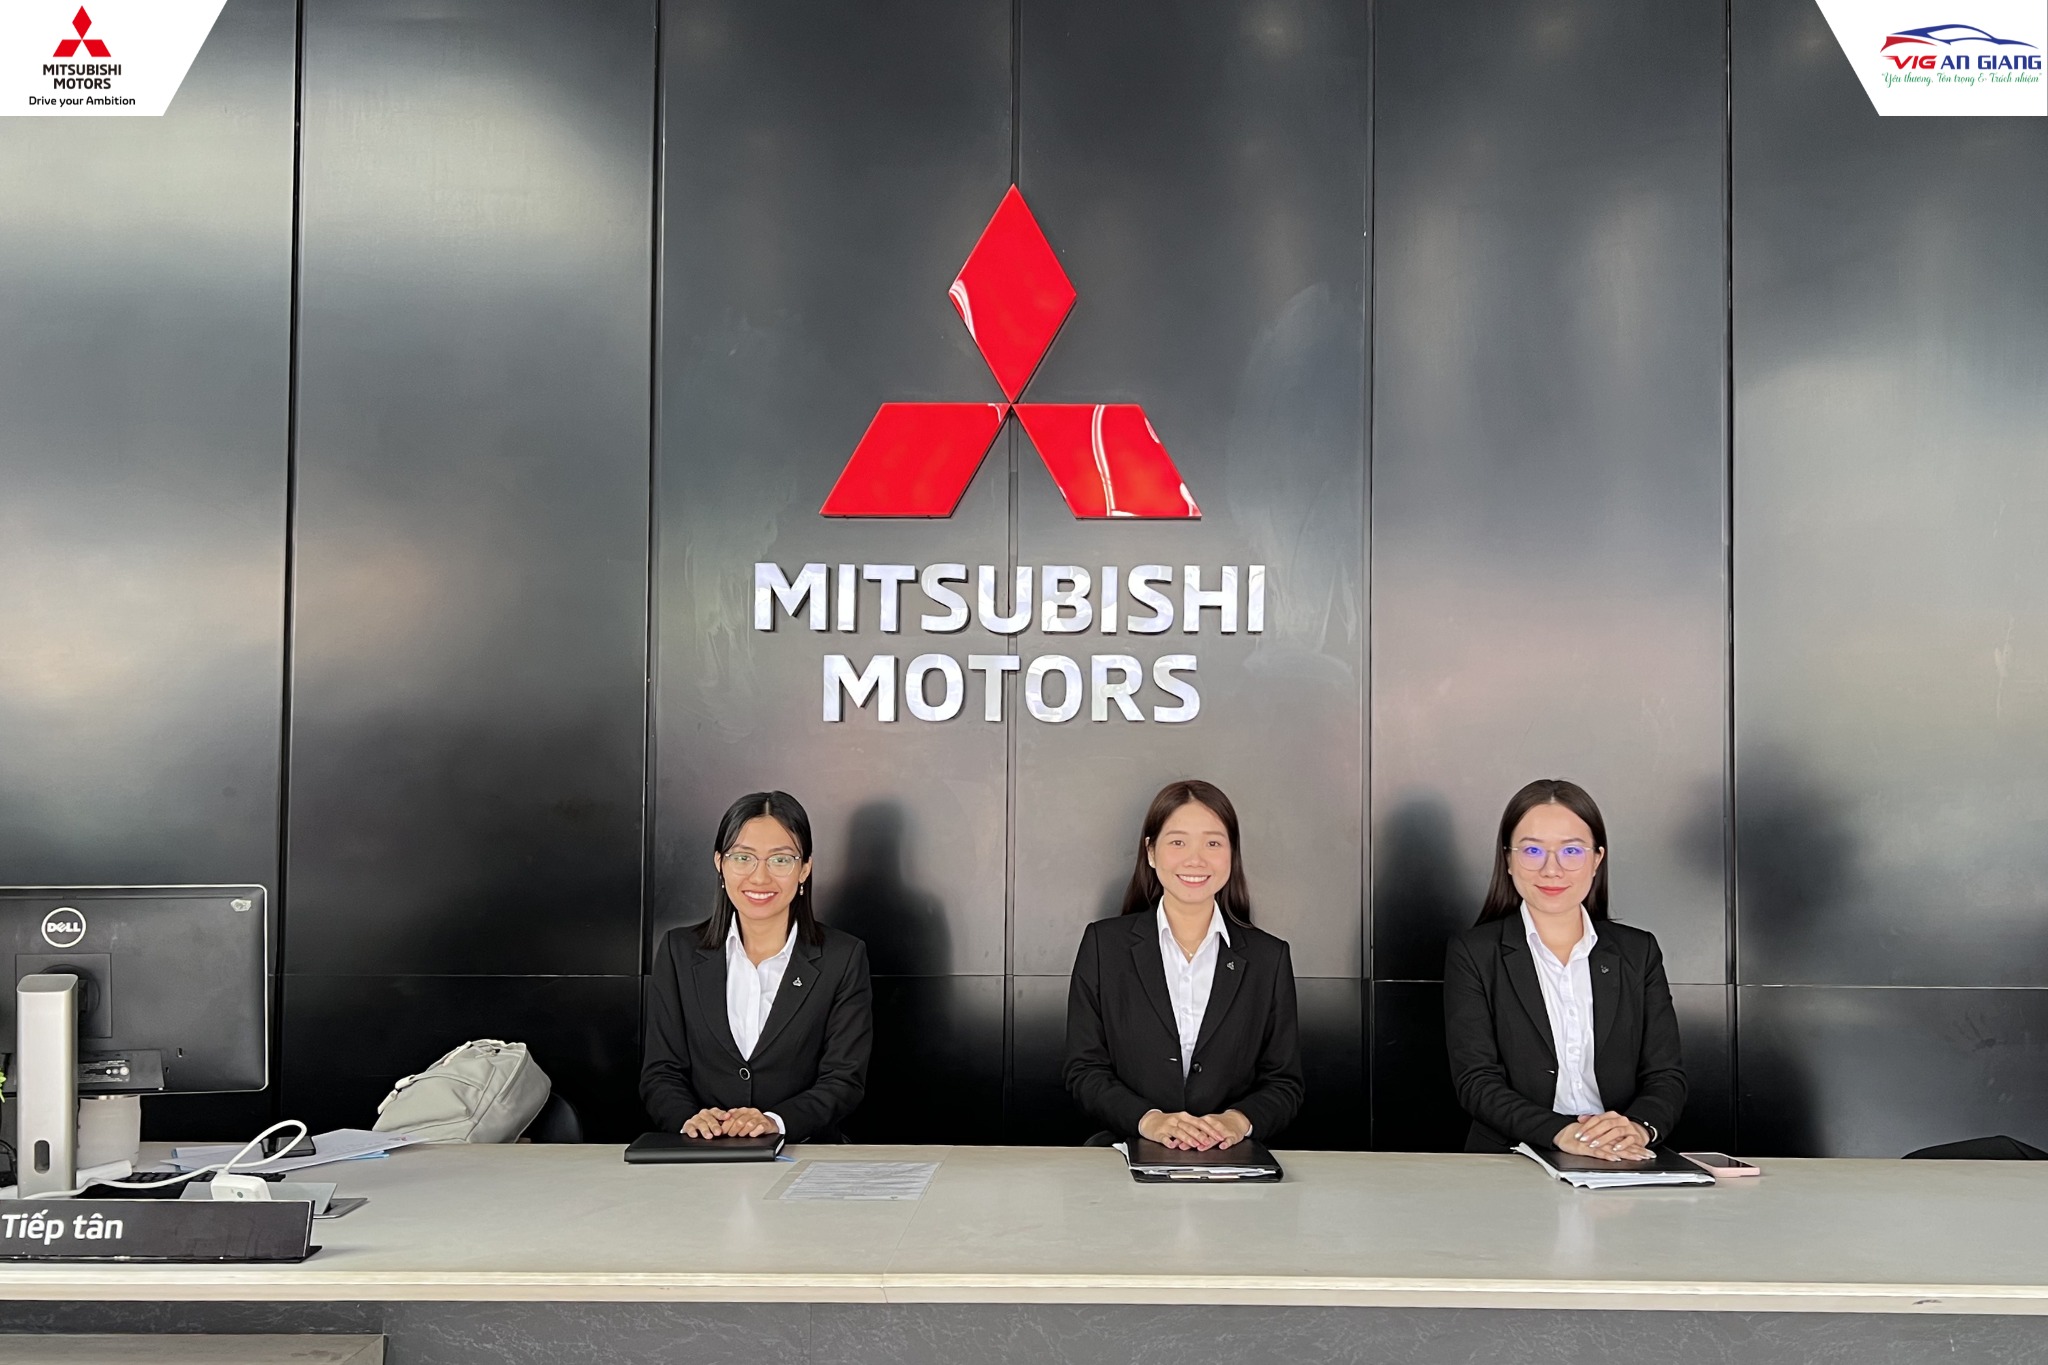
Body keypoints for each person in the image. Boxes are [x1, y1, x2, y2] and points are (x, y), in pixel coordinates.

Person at [1443, 778, 1686, 1159]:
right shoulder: (1474, 953)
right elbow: (1476, 1081)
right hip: (1510, 1157)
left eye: (1571, 850)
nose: (1551, 869)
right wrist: (1562, 1132)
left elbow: (1665, 1075)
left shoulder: (1638, 952)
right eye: (1532, 850)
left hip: (1620, 1156)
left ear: (1597, 859)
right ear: (1508, 860)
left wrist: (1637, 1128)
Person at [1063, 779, 1304, 1149]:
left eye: (1213, 843)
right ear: (1151, 851)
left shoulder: (1268, 958)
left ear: (1232, 853)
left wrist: (1236, 1121)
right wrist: (1149, 1120)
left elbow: (1284, 1083)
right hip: (1126, 1153)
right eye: (1178, 842)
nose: (1196, 859)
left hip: (1228, 1160)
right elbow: (1084, 1070)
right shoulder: (1104, 946)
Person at [640, 791, 873, 1141]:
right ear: (720, 863)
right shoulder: (679, 951)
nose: (760, 878)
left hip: (804, 1152)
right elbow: (661, 1071)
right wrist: (690, 1120)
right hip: (703, 1156)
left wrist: (774, 1122)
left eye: (780, 860)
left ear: (804, 869)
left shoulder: (843, 956)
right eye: (743, 858)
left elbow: (844, 1079)